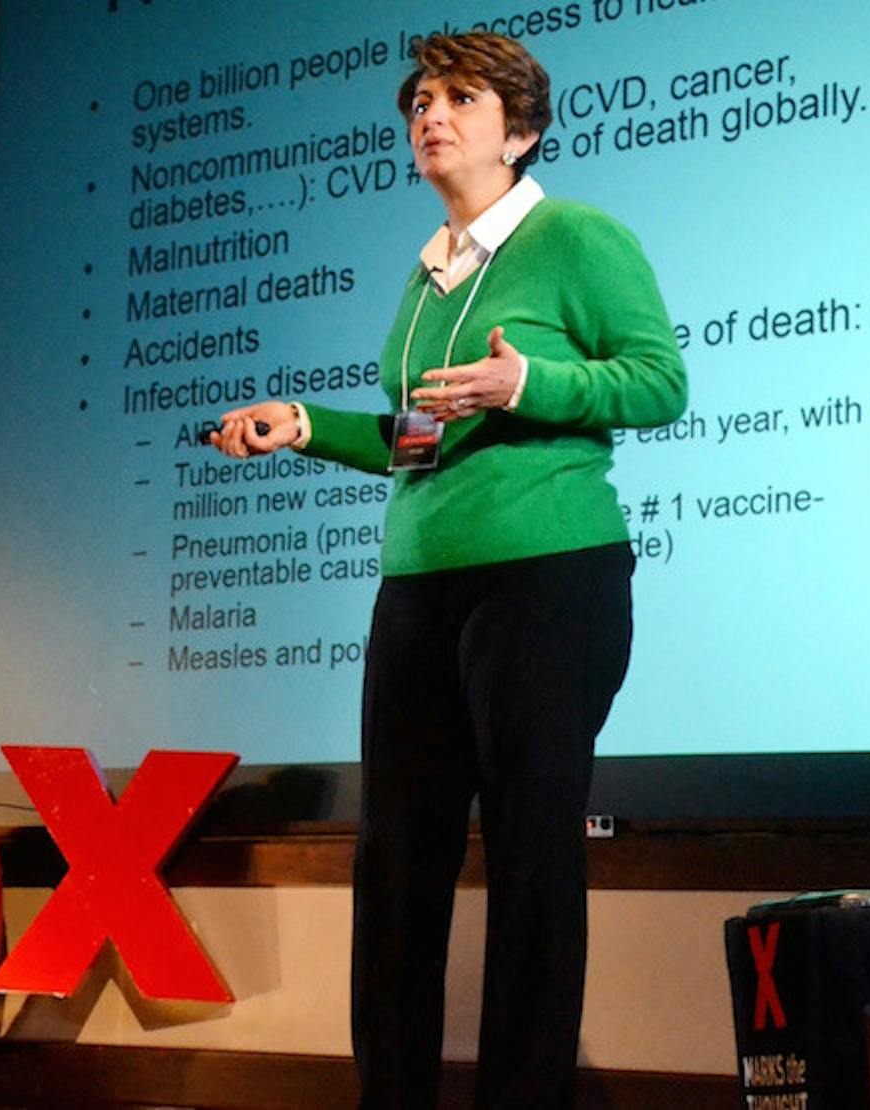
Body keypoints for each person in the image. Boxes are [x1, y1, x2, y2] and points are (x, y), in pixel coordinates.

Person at [210, 31, 687, 1108]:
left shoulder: (576, 236)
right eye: (419, 99)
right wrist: (298, 425)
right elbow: (414, 437)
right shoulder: (431, 276)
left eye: (459, 97)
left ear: (516, 131)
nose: (429, 113)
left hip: (546, 575)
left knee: (527, 859)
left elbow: (658, 383)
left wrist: (531, 383)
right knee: (394, 864)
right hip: (418, 583)